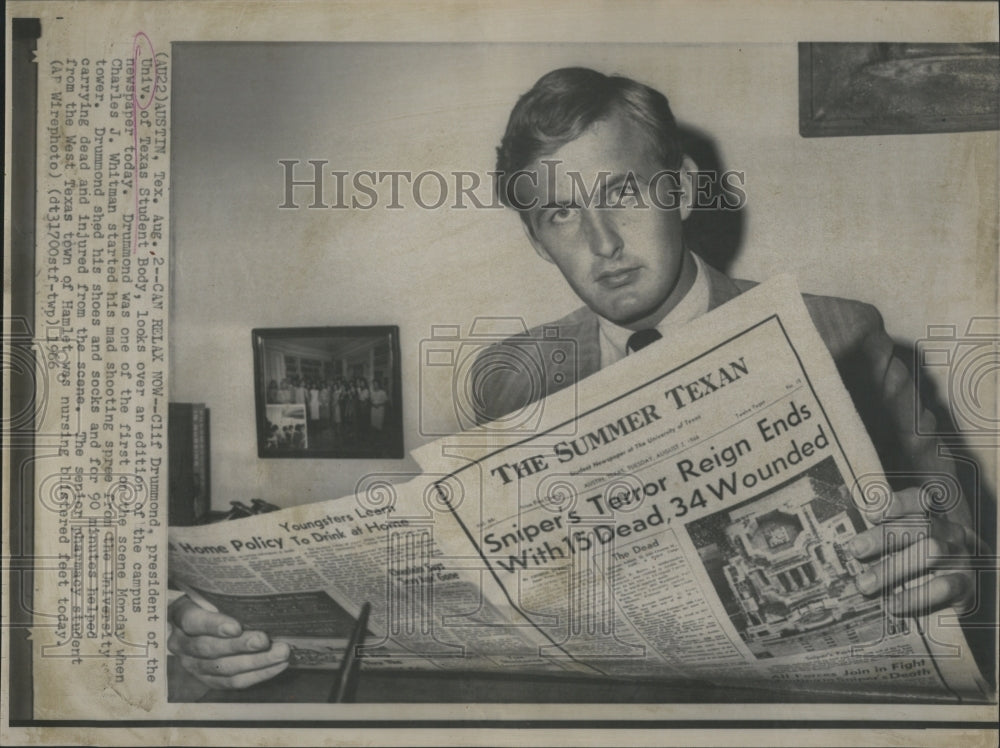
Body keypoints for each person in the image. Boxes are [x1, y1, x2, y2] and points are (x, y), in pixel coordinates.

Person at [168, 66, 984, 689]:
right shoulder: (507, 378)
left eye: (621, 192)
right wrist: (236, 630)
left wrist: (954, 563)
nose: (601, 243)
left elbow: (976, 554)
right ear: (537, 239)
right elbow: (440, 591)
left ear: (685, 191)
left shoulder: (842, 334)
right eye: (560, 213)